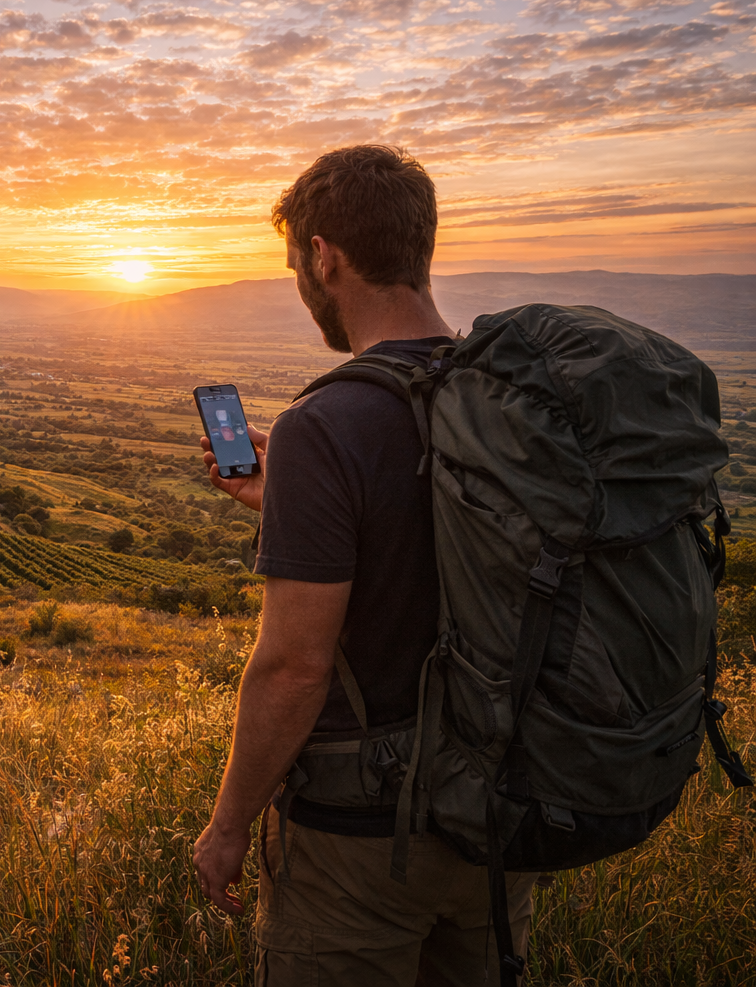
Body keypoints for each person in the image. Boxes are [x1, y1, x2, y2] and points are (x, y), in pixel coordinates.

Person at [190, 144, 538, 985]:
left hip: (361, 841)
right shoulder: (504, 399)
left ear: (323, 255)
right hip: (498, 816)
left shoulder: (327, 421)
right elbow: (444, 554)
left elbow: (294, 667)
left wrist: (229, 825)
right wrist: (291, 508)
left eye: (295, 262)